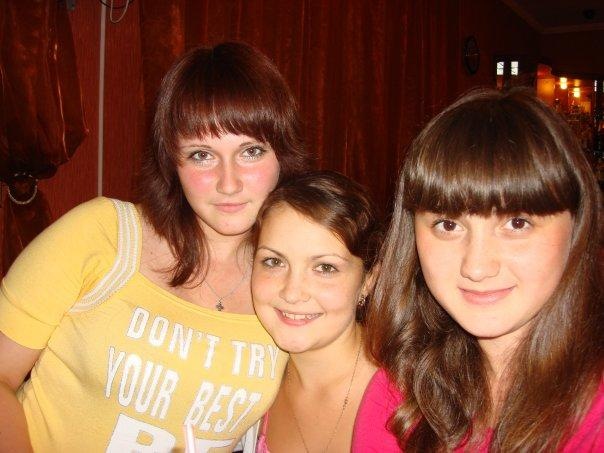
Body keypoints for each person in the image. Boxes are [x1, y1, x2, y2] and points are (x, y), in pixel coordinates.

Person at [0, 41, 309, 452]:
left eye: (251, 151)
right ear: (171, 162)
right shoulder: (100, 234)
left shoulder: (296, 282)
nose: (229, 182)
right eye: (201, 155)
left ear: (282, 157)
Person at [367, 88, 603, 452]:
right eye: (448, 225)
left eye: (517, 223)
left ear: (577, 226)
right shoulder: (398, 392)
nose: (476, 267)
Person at [251, 171, 401, 452]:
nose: (292, 293)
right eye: (273, 262)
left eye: (325, 268)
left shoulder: (413, 397)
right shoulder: (253, 386)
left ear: (369, 280)